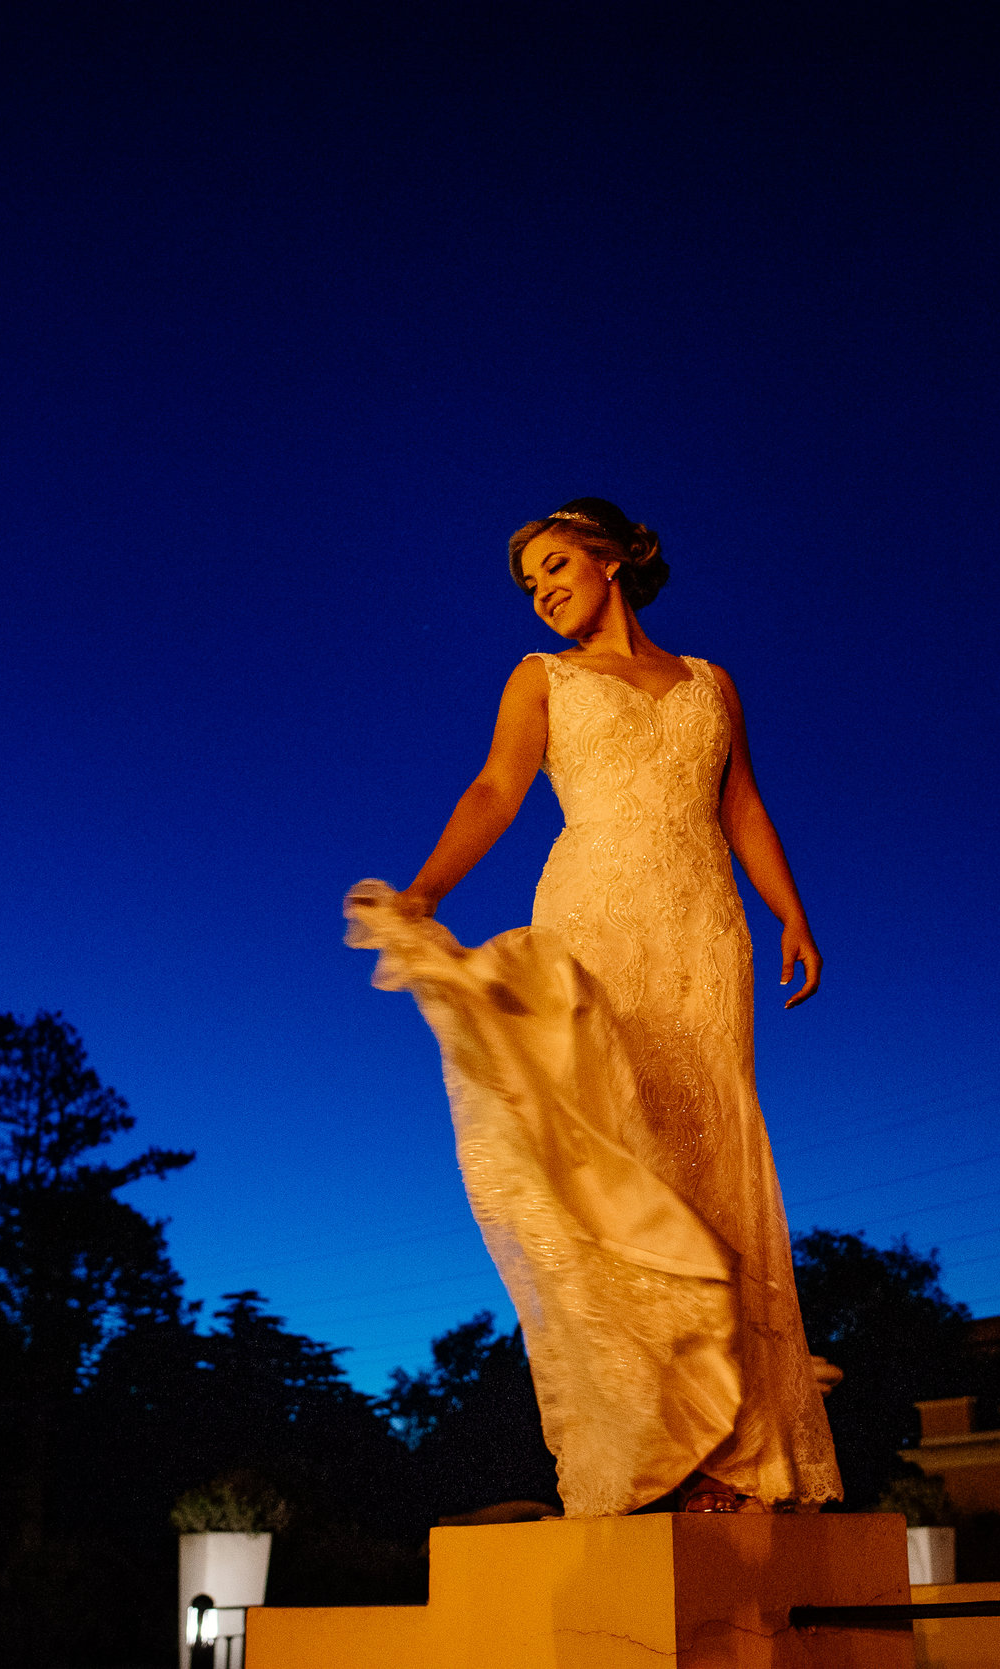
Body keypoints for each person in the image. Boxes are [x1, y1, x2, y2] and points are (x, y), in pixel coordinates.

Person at [345, 497, 842, 1517]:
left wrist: (789, 911)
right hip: (595, 919)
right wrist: (427, 890)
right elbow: (494, 788)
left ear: (613, 560)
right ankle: (659, 1448)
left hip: (703, 932)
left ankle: (742, 1455)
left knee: (713, 1157)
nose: (544, 590)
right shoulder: (541, 679)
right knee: (625, 1151)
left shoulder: (713, 682)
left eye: (557, 564)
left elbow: (740, 804)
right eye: (530, 582)